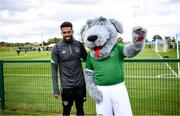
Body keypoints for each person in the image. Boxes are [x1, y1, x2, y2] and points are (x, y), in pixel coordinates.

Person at [51, 21, 87, 116]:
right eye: (64, 32)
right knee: (66, 111)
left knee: (80, 110)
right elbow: (54, 70)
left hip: (80, 85)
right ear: (61, 33)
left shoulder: (79, 45)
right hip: (67, 87)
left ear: (72, 31)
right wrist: (55, 89)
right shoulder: (57, 47)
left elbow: (88, 60)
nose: (67, 34)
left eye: (69, 32)